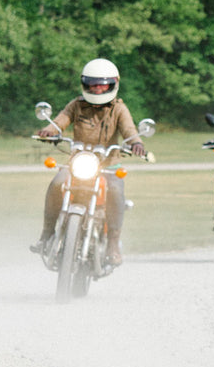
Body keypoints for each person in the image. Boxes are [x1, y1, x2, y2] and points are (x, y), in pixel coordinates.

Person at [30, 58, 147, 266]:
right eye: (93, 84)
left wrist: (136, 142)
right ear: (85, 84)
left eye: (103, 84)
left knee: (116, 192)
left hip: (109, 164)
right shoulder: (76, 105)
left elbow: (129, 129)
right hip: (78, 161)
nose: (98, 89)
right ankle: (46, 234)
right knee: (57, 182)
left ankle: (113, 243)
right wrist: (50, 131)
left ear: (113, 84)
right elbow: (61, 120)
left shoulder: (119, 109)